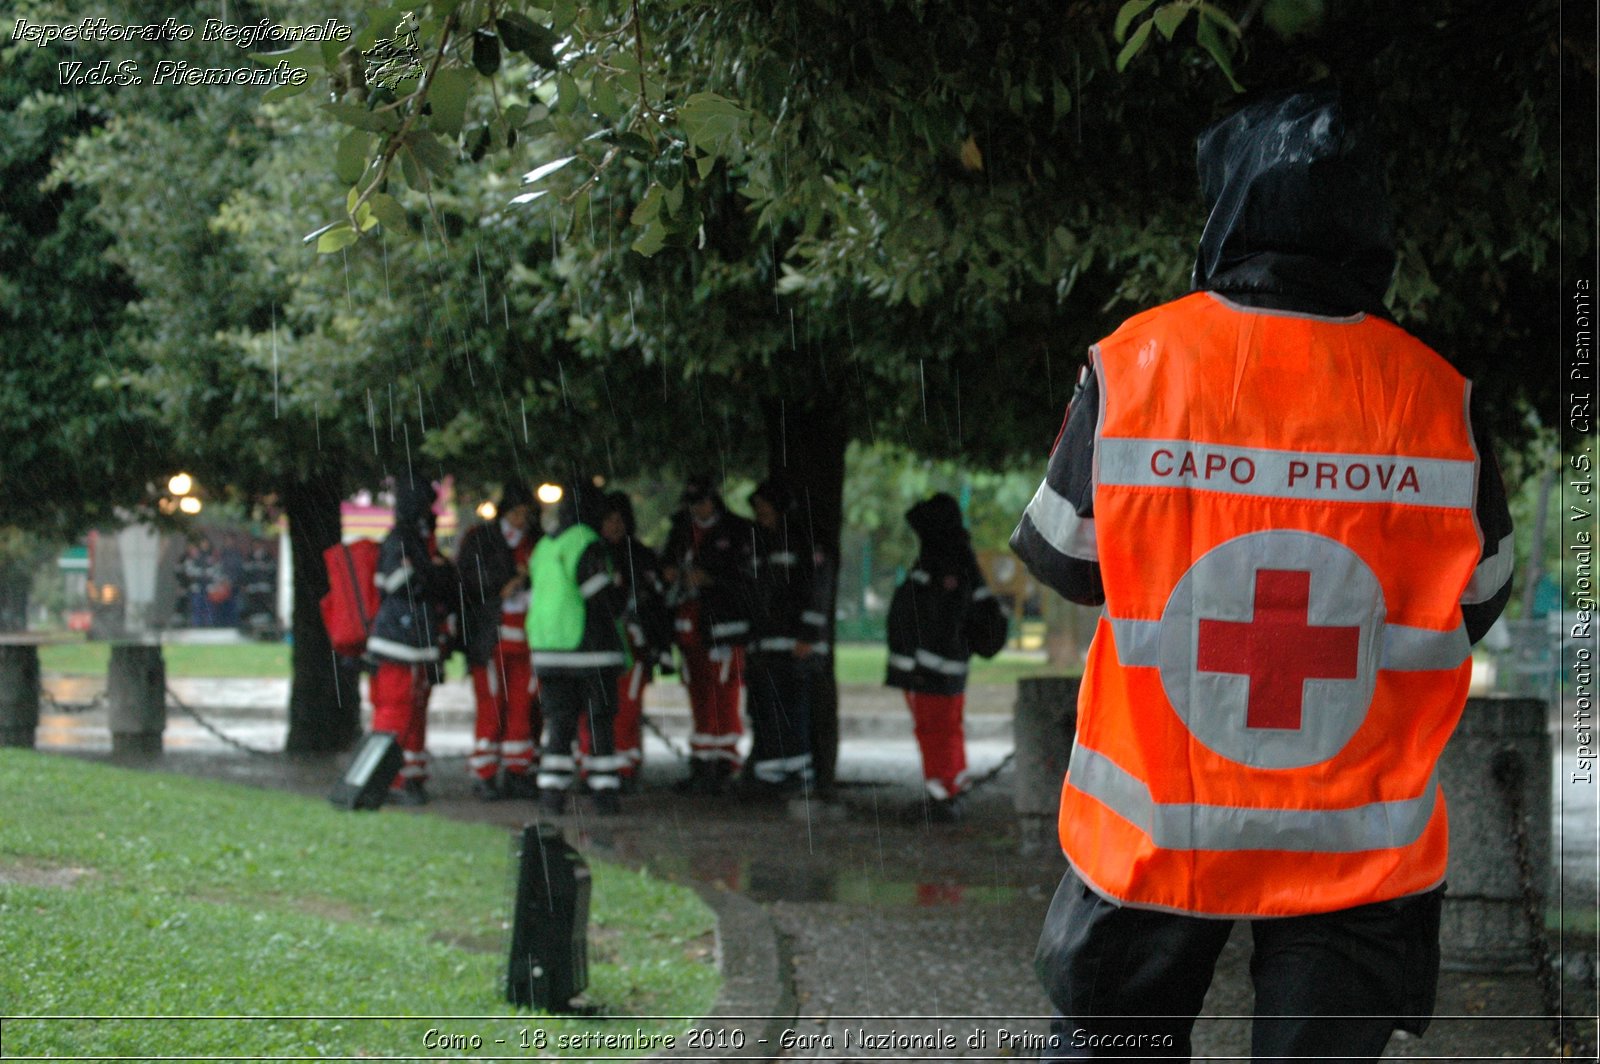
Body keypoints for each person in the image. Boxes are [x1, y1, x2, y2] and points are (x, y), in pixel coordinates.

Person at [1010, 89, 1515, 1061]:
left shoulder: (1137, 362)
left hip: (1158, 823)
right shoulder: (1436, 396)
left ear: (1229, 210)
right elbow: (1477, 598)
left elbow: (1063, 560)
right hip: (1356, 842)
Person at [885, 492, 1008, 823]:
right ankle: (949, 790)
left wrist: (922, 662)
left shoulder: (946, 561)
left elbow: (941, 619)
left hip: (932, 668)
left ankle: (944, 796)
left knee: (935, 729)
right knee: (943, 729)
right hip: (939, 666)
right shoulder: (952, 556)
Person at [528, 481, 629, 816]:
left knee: (560, 724)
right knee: (599, 723)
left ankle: (551, 793)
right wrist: (621, 596)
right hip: (590, 649)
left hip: (548, 649)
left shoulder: (544, 544)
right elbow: (600, 595)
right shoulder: (586, 542)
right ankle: (604, 794)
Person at [367, 473, 459, 806]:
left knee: (416, 710)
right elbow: (402, 585)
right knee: (395, 711)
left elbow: (433, 583)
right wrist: (433, 573)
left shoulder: (416, 540)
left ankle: (411, 775)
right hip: (397, 642)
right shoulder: (399, 541)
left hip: (418, 642)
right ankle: (388, 779)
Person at [661, 474, 756, 795]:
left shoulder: (738, 532)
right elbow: (667, 563)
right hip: (689, 625)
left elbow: (746, 578)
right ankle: (702, 761)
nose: (697, 510)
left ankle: (724, 761)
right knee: (698, 692)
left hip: (722, 626)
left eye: (701, 502)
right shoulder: (681, 531)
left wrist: (711, 579)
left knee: (723, 693)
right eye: (692, 504)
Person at [740, 475, 833, 798]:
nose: (760, 514)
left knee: (793, 711)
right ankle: (770, 776)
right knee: (765, 710)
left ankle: (797, 775)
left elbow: (817, 589)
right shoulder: (757, 541)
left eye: (765, 507)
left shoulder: (804, 539)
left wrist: (808, 633)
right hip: (765, 645)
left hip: (796, 647)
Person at [580, 491, 674, 790]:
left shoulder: (641, 557)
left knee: (626, 709)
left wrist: (660, 646)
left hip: (633, 645)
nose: (615, 526)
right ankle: (591, 768)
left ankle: (625, 769)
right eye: (608, 520)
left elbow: (657, 606)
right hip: (595, 644)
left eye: (620, 520)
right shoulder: (592, 554)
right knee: (592, 709)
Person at [456, 482, 543, 801]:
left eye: (525, 514)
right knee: (491, 707)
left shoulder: (537, 543)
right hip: (491, 639)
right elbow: (468, 581)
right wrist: (501, 586)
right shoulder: (481, 540)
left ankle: (518, 772)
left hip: (528, 640)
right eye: (516, 513)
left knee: (522, 706)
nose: (521, 520)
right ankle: (485, 773)